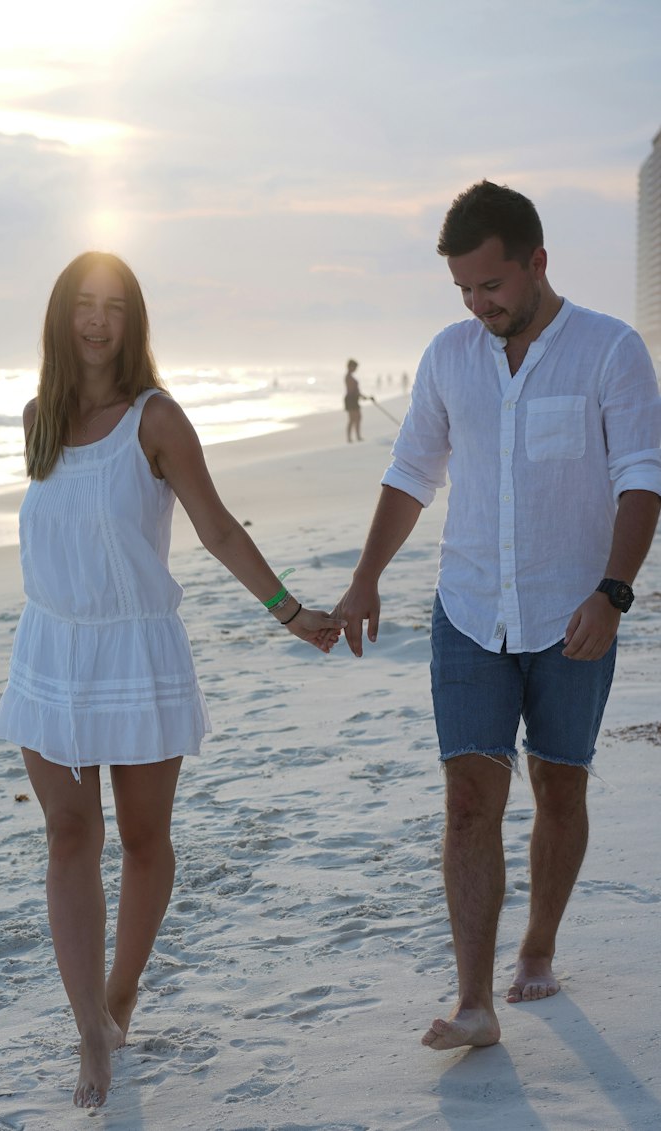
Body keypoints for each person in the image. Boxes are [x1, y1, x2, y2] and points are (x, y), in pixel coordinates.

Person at [0, 251, 344, 1107]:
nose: (98, 321)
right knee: (69, 838)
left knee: (145, 842)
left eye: (114, 306)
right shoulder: (38, 416)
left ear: (133, 320)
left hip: (135, 651)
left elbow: (217, 528)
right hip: (50, 652)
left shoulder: (156, 420)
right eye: (85, 304)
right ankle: (89, 1030)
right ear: (62, 314)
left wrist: (289, 612)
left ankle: (121, 995)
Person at [331, 181, 661, 1052]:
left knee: (559, 785)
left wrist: (613, 592)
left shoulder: (611, 352)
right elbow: (410, 474)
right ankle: (474, 999)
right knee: (470, 799)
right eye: (465, 292)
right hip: (469, 610)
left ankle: (540, 945)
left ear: (537, 262)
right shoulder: (450, 356)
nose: (480, 306)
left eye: (492, 286)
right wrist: (366, 578)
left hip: (575, 616)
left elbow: (641, 479)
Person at [343, 358, 366, 442]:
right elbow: (353, 390)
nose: (356, 369)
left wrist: (362, 396)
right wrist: (361, 396)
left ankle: (357, 436)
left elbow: (355, 391)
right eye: (354, 367)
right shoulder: (348, 377)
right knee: (352, 419)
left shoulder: (350, 377)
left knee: (357, 418)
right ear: (350, 366)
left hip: (353, 398)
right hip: (351, 399)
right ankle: (350, 438)